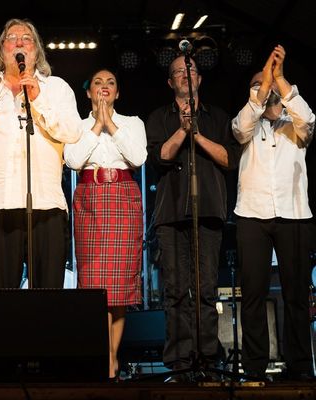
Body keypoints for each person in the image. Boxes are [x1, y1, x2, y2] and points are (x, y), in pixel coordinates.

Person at [0, 18, 82, 289]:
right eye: (11, 38)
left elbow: (73, 132)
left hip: (45, 204)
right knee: (0, 297)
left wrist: (37, 99)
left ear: (36, 51)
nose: (19, 42)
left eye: (26, 38)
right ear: (2, 51)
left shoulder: (57, 89)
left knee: (47, 294)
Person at [146, 55, 240, 381]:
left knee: (206, 290)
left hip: (209, 209)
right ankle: (180, 363)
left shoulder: (218, 117)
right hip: (171, 214)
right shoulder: (159, 117)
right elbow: (160, 157)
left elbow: (229, 158)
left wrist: (197, 134)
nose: (186, 77)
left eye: (191, 73)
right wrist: (182, 130)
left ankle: (207, 360)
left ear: (199, 79)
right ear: (171, 82)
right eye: (178, 74)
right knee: (175, 290)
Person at [232, 45, 315, 381]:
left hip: (294, 214)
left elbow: (307, 121)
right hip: (252, 214)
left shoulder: (295, 126)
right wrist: (263, 86)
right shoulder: (247, 123)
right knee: (253, 294)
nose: (263, 87)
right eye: (256, 84)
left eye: (265, 82)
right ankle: (254, 368)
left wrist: (280, 79)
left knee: (296, 295)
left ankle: (299, 368)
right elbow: (240, 128)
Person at [64, 68, 147, 379]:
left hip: (123, 197)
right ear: (88, 93)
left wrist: (110, 123)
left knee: (120, 287)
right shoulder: (79, 126)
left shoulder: (132, 123)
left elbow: (138, 157)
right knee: (95, 284)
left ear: (117, 92)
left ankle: (111, 359)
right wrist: (97, 126)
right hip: (89, 197)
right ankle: (101, 355)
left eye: (110, 82)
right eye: (97, 83)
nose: (104, 87)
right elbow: (73, 160)